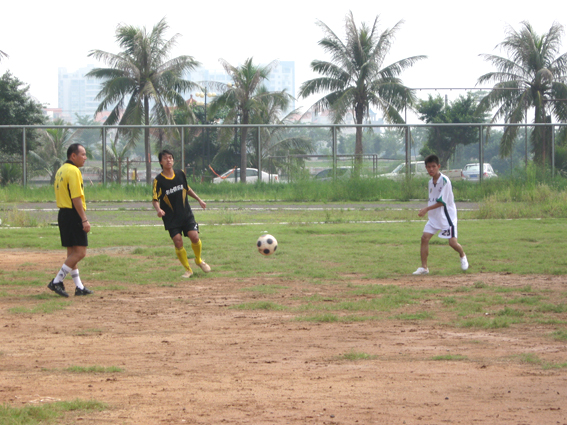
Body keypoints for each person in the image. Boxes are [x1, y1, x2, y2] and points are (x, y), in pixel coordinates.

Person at [152, 149, 211, 278]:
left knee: (195, 237)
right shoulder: (158, 180)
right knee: (178, 242)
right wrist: (158, 210)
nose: (168, 160)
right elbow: (155, 199)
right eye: (165, 158)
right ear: (161, 162)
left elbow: (187, 188)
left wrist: (199, 200)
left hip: (186, 214)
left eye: (170, 157)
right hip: (171, 217)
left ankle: (199, 260)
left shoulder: (180, 174)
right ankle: (188, 270)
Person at [48, 143, 94, 297]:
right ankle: (57, 281)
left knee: (71, 253)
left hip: (63, 214)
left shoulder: (61, 170)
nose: (85, 158)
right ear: (73, 156)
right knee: (80, 252)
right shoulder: (74, 171)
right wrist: (84, 219)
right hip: (73, 214)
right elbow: (76, 198)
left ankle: (79, 287)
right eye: (83, 154)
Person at [413, 154, 469, 275]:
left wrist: (426, 209)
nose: (431, 169)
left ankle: (462, 255)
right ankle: (424, 268)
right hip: (434, 217)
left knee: (452, 243)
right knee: (424, 238)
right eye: (428, 167)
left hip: (447, 217)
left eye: (433, 166)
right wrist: (429, 211)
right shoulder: (430, 182)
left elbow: (441, 202)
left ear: (438, 166)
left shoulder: (445, 181)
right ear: (426, 168)